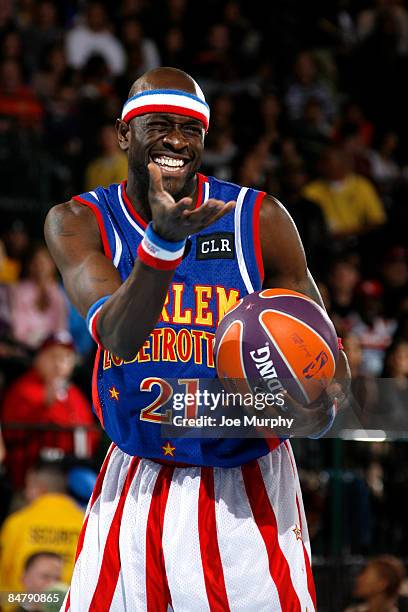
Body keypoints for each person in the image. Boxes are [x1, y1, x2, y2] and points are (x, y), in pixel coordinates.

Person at [45, 67, 349, 611]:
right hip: (139, 472)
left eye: (191, 130)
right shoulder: (78, 221)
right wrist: (161, 245)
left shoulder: (258, 219)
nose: (176, 141)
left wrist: (306, 405)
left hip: (247, 481)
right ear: (123, 135)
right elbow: (119, 335)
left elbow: (327, 368)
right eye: (159, 125)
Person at [1, 330, 100, 489]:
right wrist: (43, 407)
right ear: (39, 358)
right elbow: (12, 435)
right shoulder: (23, 389)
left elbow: (91, 435)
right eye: (53, 356)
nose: (59, 364)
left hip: (74, 471)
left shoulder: (74, 393)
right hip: (32, 478)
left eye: (66, 358)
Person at [0, 461, 84, 597]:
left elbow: (4, 572)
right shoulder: (85, 521)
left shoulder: (17, 522)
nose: (25, 494)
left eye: (27, 487)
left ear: (39, 489)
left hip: (23, 603)